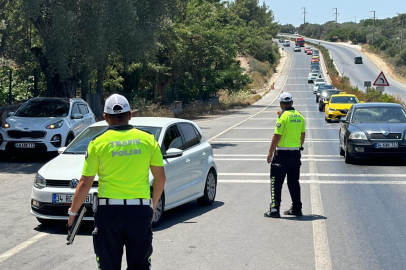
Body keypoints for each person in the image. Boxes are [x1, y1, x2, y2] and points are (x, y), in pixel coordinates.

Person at [67, 94, 166, 269]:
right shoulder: (148, 140)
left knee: (108, 265)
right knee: (140, 265)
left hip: (109, 213)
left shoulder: (97, 143)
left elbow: (84, 183)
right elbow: (160, 178)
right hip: (140, 210)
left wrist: (73, 214)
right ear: (130, 114)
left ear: (105, 117)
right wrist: (152, 206)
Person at [264, 92, 305, 218]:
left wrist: (270, 152)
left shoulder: (283, 117)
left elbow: (277, 136)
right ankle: (297, 208)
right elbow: (302, 135)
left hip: (282, 154)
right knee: (294, 182)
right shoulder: (300, 116)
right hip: (295, 153)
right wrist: (297, 146)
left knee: (276, 182)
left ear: (281, 104)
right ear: (292, 102)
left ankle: (275, 209)